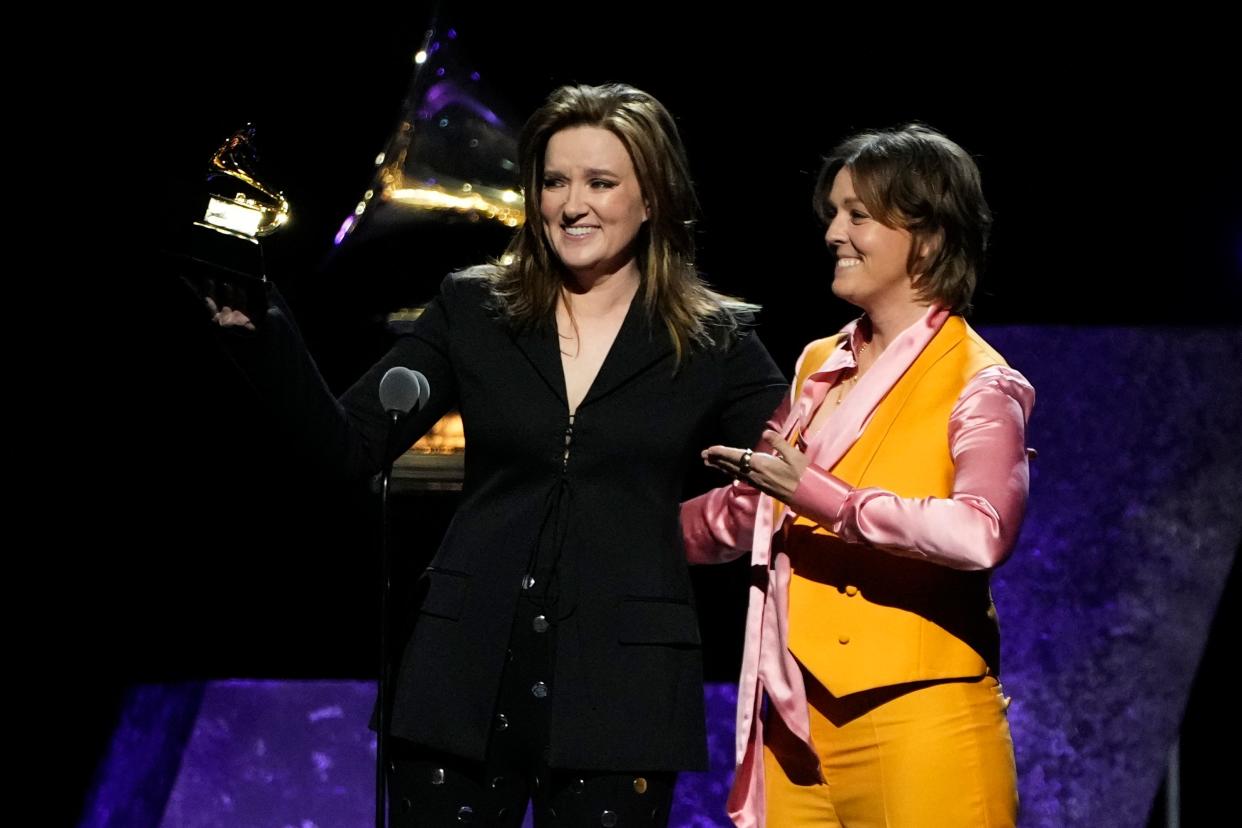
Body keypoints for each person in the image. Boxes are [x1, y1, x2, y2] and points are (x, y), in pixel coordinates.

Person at [210, 83, 787, 827]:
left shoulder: (716, 340)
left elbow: (802, 461)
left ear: (654, 201)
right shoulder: (474, 308)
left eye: (600, 183)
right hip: (459, 682)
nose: (571, 205)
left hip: (621, 693)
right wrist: (261, 333)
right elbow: (348, 448)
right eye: (554, 181)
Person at [681, 124, 1034, 827]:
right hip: (796, 726)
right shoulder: (819, 364)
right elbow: (756, 506)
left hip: (923, 724)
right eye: (834, 213)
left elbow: (982, 532)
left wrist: (821, 496)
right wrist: (624, 530)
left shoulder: (980, 381)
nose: (833, 233)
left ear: (927, 237)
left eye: (858, 216)